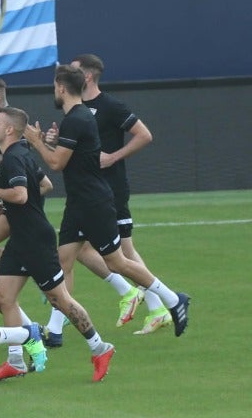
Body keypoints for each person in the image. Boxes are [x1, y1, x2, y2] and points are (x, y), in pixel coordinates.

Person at [27, 65, 190, 339]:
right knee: (63, 261)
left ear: (63, 88)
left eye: (55, 87)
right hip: (79, 203)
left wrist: (36, 142)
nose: (54, 92)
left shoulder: (76, 119)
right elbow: (68, 160)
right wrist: (45, 143)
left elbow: (55, 163)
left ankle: (173, 299)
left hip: (93, 203)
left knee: (117, 262)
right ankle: (54, 331)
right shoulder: (76, 118)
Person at [0, 107, 113, 381]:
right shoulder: (19, 155)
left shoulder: (13, 159)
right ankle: (15, 361)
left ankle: (101, 347)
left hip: (36, 240)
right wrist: (7, 204)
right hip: (21, 239)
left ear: (9, 130)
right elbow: (45, 185)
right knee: (5, 298)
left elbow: (22, 195)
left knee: (60, 299)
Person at [67, 53, 173, 335]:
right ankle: (145, 301)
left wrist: (113, 157)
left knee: (122, 250)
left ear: (87, 76)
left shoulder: (110, 105)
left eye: (74, 71)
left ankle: (157, 306)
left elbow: (145, 135)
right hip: (91, 190)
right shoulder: (76, 108)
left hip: (110, 188)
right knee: (84, 249)